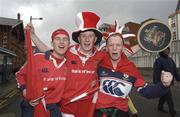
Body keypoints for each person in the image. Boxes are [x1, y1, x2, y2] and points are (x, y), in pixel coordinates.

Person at [94, 25, 173, 117]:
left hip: (121, 113)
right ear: (106, 47)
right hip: (98, 112)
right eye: (111, 45)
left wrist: (164, 85)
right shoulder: (99, 62)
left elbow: (147, 91)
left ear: (123, 48)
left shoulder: (131, 68)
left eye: (118, 45)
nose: (114, 48)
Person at [16, 27, 70, 117]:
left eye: (65, 39)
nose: (61, 42)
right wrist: (25, 91)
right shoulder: (38, 58)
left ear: (69, 44)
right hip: (33, 106)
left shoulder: (69, 63)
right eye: (58, 39)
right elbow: (19, 74)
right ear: (52, 43)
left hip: (54, 107)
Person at [153, 47, 180, 117]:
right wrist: (157, 83)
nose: (166, 51)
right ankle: (172, 112)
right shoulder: (158, 61)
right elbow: (156, 73)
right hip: (162, 83)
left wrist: (178, 78)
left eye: (167, 49)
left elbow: (175, 70)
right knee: (169, 97)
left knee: (163, 96)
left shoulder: (170, 60)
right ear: (161, 51)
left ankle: (160, 107)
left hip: (169, 81)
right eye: (164, 49)